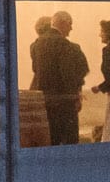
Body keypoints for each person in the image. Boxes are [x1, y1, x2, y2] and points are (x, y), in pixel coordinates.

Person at [37, 12, 89, 145]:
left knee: (52, 137)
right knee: (69, 138)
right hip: (64, 100)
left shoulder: (38, 43)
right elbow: (68, 73)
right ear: (63, 23)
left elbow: (35, 69)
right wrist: (75, 95)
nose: (71, 28)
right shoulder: (64, 44)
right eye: (70, 24)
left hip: (45, 98)